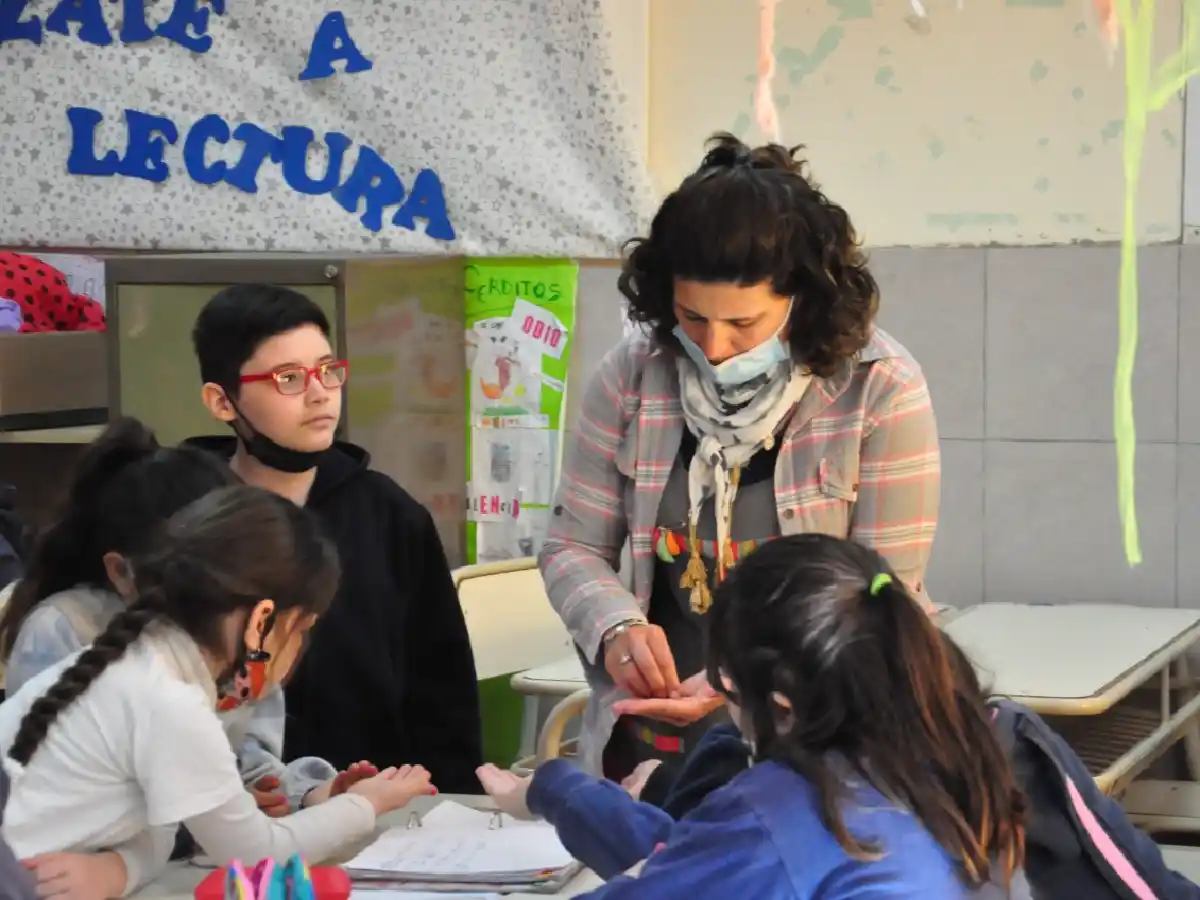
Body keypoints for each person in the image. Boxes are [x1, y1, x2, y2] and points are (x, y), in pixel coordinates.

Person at [541, 133, 941, 779]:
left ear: (801, 297)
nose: (717, 346)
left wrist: (742, 678)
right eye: (691, 318)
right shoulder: (631, 375)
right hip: (658, 729)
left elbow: (883, 594)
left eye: (744, 325)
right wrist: (615, 627)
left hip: (821, 746)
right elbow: (571, 547)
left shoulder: (879, 387)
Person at [479, 534, 1024, 898]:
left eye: (725, 689)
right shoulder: (948, 757)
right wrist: (555, 790)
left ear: (779, 702)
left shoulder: (786, 808)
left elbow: (705, 866)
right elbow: (702, 861)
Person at [0, 485, 436, 898]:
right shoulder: (169, 699)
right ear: (262, 621)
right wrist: (366, 805)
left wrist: (117, 869)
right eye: (303, 628)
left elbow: (160, 830)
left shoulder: (143, 664)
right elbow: (258, 854)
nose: (301, 646)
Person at [187, 284, 482, 792]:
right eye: (289, 378)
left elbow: (442, 688)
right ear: (222, 401)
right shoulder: (188, 516)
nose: (320, 392)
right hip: (217, 814)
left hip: (377, 806)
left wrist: (449, 803)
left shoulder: (390, 515)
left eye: (328, 370)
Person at [0, 417, 341, 818]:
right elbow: (46, 798)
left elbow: (251, 770)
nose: (210, 596)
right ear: (121, 572)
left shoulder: (245, 626)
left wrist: (306, 794)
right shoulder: (64, 628)